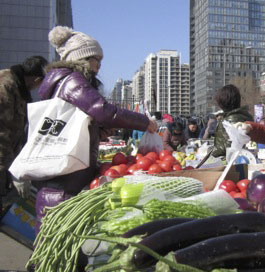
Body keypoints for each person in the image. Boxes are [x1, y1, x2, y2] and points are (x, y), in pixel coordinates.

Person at [34, 26, 157, 233]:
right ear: (80, 58)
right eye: (95, 59)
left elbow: (73, 123)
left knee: (55, 234)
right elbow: (104, 111)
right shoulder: (72, 80)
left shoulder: (61, 81)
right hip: (65, 182)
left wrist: (97, 133)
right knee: (60, 238)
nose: (99, 65)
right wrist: (144, 122)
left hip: (62, 177)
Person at [0, 56, 48, 209]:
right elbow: (1, 132)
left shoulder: (20, 89)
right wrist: (12, 169)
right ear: (37, 80)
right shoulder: (5, 85)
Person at [212, 84, 253, 158]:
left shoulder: (228, 120)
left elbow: (224, 148)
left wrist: (211, 154)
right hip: (246, 157)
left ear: (222, 102)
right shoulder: (244, 115)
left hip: (230, 162)